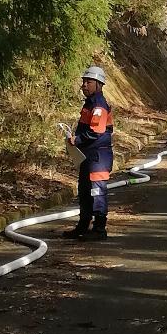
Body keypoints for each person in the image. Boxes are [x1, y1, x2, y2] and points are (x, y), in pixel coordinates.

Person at [66, 64, 113, 239]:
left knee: (97, 192)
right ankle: (83, 225)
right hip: (88, 155)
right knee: (85, 191)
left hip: (98, 156)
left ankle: (99, 229)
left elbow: (96, 131)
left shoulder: (99, 105)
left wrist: (77, 140)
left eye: (89, 82)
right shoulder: (90, 103)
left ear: (99, 84)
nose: (84, 85)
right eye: (84, 81)